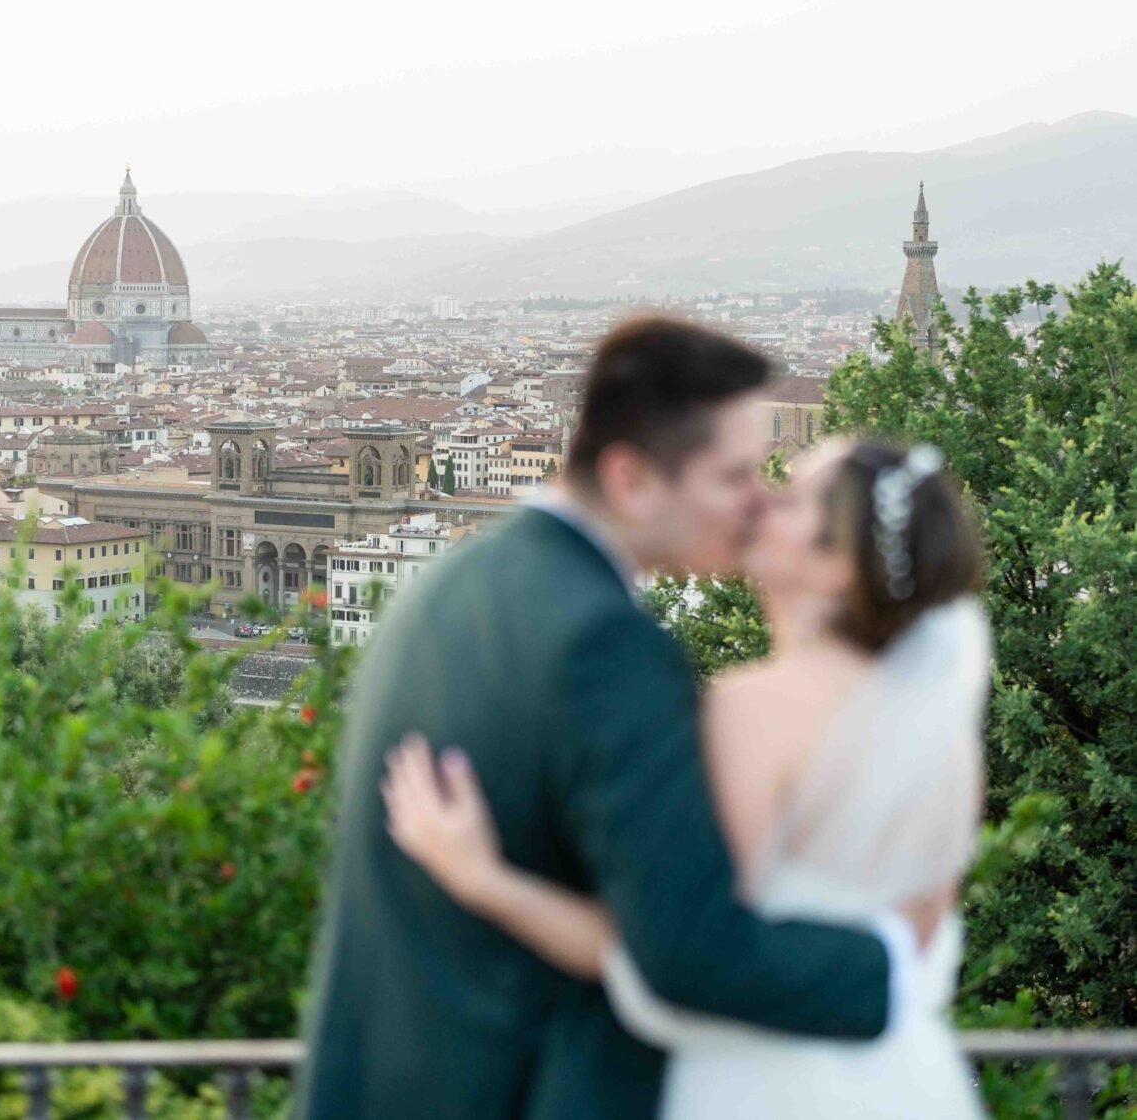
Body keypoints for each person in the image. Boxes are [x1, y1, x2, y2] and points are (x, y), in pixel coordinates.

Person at [295, 318, 942, 1120]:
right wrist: (899, 966)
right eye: (735, 475)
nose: (758, 501)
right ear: (633, 480)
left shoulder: (453, 583)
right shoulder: (606, 644)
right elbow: (687, 951)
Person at [383, 436, 989, 1119]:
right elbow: (913, 951)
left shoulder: (757, 708)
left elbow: (678, 951)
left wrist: (483, 880)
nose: (760, 501)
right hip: (905, 1079)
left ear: (835, 565)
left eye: (789, 498)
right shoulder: (942, 735)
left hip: (765, 1087)